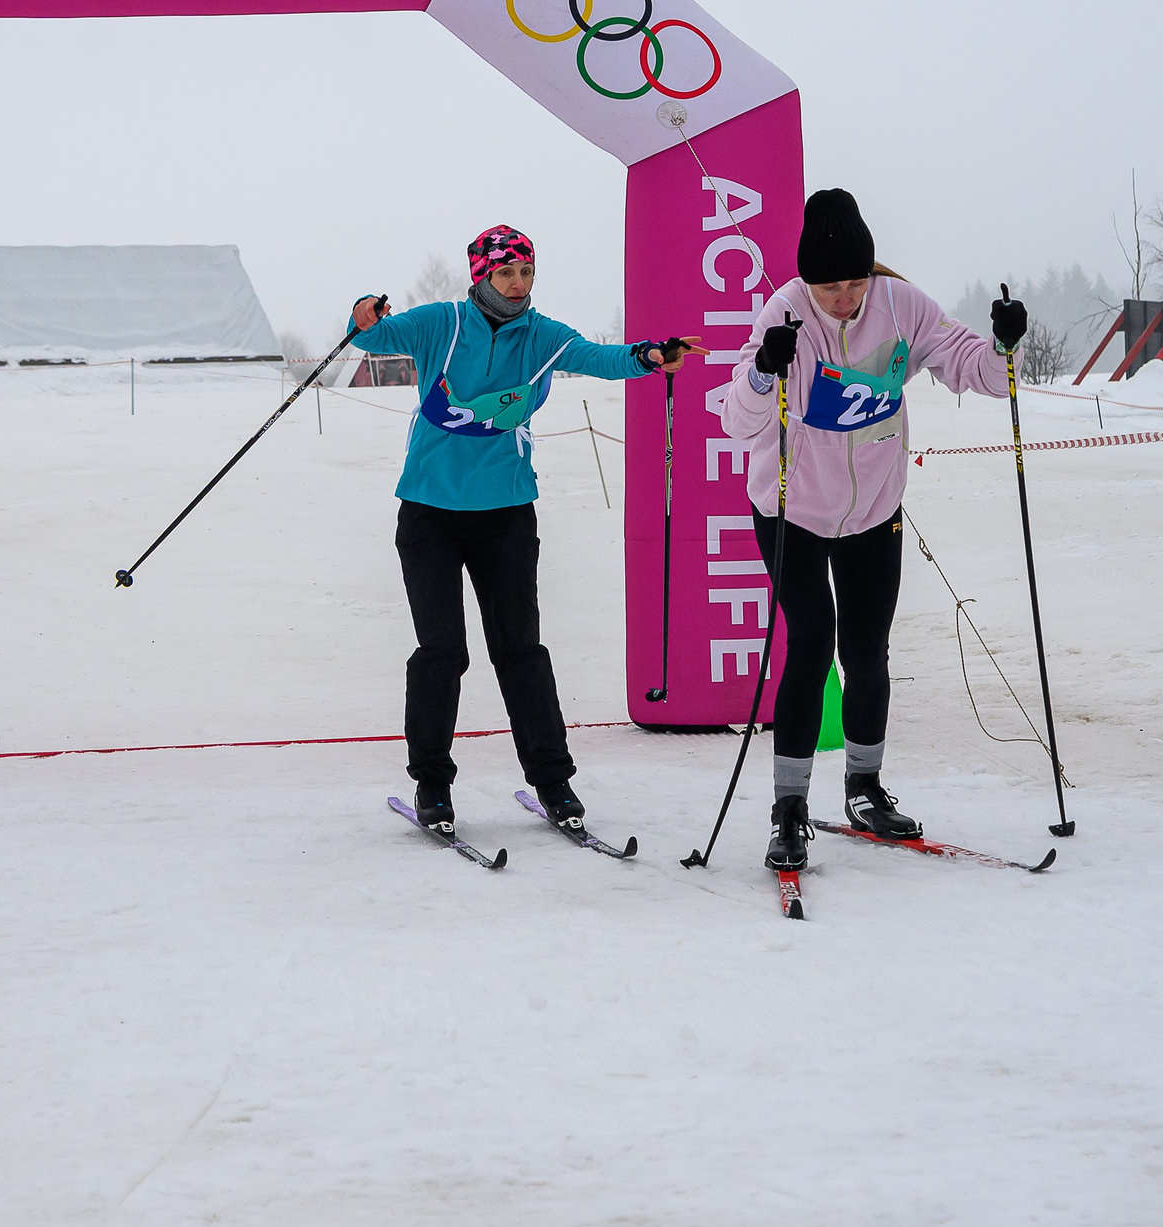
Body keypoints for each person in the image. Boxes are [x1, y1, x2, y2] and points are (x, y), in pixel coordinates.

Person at [346, 225, 699, 835]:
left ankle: (552, 781)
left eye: (526, 273)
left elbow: (601, 357)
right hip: (429, 513)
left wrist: (648, 355)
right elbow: (374, 337)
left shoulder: (543, 337)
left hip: (506, 515)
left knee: (520, 650)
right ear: (482, 274)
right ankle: (432, 783)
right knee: (442, 652)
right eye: (506, 273)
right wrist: (363, 315)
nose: (518, 284)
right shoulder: (442, 323)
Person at [718, 188, 1027, 872]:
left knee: (867, 649)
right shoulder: (785, 312)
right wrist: (765, 368)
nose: (843, 297)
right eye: (829, 286)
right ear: (806, 280)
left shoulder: (901, 306)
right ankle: (789, 809)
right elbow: (736, 423)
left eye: (855, 281)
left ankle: (864, 788)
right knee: (811, 645)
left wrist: (1005, 344)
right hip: (790, 510)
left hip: (872, 511)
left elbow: (974, 367)